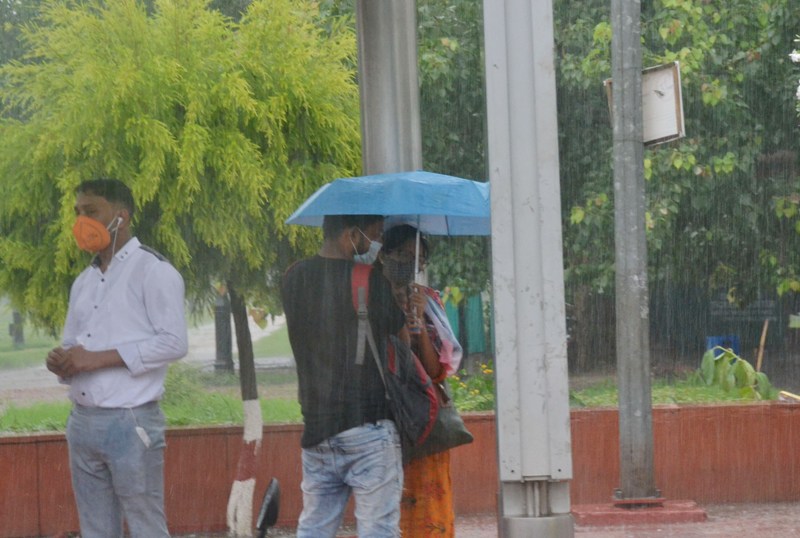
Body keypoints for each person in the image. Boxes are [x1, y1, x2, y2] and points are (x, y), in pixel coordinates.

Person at [46, 178, 188, 538]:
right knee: (95, 529)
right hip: (83, 422)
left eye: (91, 212)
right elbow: (74, 346)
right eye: (78, 213)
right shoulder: (85, 281)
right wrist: (63, 362)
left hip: (131, 422)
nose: (81, 221)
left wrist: (97, 359)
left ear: (120, 217)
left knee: (145, 526)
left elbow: (174, 343)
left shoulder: (153, 271)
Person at [281, 214, 408, 538]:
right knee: (377, 531)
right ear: (350, 235)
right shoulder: (368, 278)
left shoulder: (293, 277)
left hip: (317, 430)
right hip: (367, 427)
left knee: (314, 529)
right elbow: (402, 339)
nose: (374, 244)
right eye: (373, 235)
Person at [377, 224, 463, 538]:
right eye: (401, 254)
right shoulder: (371, 297)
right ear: (384, 254)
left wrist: (419, 321)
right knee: (388, 506)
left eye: (417, 259)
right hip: (384, 416)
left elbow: (434, 369)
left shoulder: (429, 302)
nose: (408, 264)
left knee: (430, 502)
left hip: (424, 420)